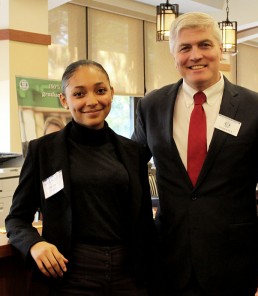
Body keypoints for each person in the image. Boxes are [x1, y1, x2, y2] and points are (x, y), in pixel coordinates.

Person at [132, 12, 258, 296]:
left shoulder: (256, 108)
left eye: (205, 45)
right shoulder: (151, 105)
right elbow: (127, 169)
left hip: (236, 262)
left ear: (221, 49)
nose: (195, 55)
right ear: (174, 55)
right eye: (185, 48)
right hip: (167, 259)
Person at [6, 59, 157, 296]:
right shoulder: (43, 152)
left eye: (100, 90)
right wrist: (34, 244)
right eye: (79, 93)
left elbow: (143, 220)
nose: (91, 101)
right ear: (64, 100)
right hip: (71, 273)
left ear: (111, 93)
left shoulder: (133, 152)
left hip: (129, 273)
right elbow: (16, 219)